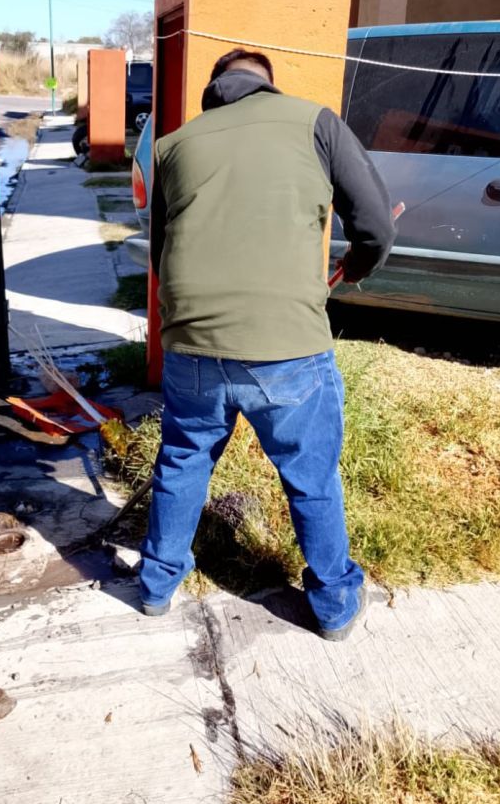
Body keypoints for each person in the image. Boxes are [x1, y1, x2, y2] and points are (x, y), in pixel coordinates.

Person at [140, 48, 395, 640]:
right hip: (287, 348)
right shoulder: (315, 123)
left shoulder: (174, 146)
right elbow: (377, 226)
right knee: (309, 475)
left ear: (215, 87)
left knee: (181, 461)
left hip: (193, 345)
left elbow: (160, 254)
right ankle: (333, 605)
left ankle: (155, 584)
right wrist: (354, 268)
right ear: (268, 86)